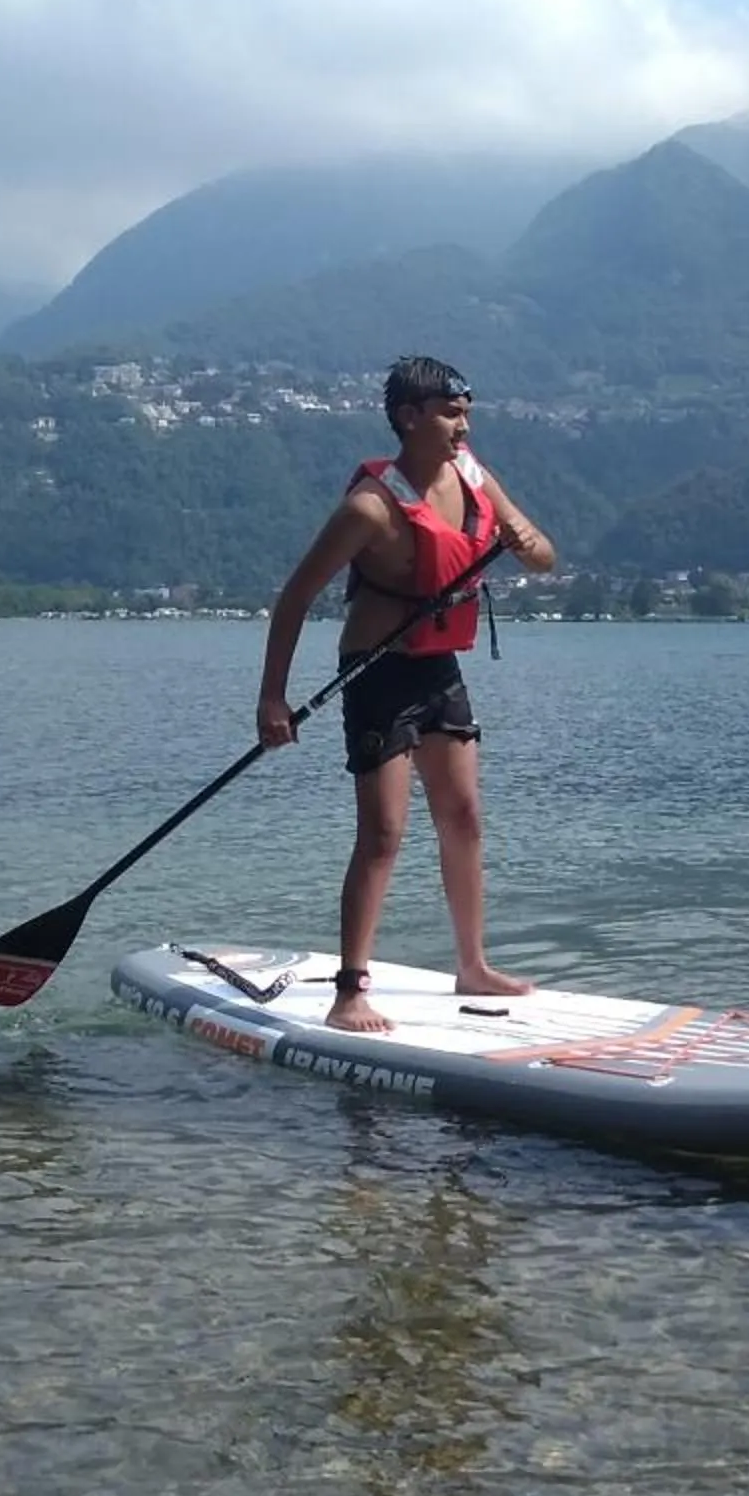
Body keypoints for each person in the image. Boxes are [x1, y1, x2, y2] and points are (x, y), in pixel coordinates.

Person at [256, 355, 556, 1034]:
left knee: (464, 817)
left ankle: (472, 965)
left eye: (466, 413)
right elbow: (295, 597)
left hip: (438, 668)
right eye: (451, 414)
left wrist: (525, 540)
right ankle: (349, 993)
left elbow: (544, 557)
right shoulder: (368, 508)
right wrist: (272, 699)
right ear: (409, 417)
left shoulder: (473, 475)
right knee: (384, 833)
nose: (463, 426)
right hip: (377, 672)